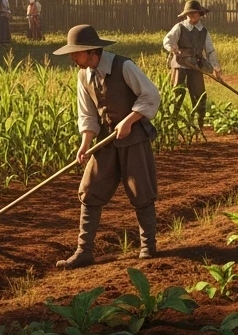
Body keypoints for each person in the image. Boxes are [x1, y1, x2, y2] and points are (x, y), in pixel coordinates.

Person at [53, 23, 162, 267]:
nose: (72, 58)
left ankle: (148, 247)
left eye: (76, 53)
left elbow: (151, 95)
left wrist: (130, 120)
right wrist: (85, 143)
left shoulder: (124, 66)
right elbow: (88, 114)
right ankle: (84, 252)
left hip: (133, 138)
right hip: (106, 140)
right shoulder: (83, 75)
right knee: (90, 190)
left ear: (92, 51)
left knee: (140, 191)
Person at [163, 0, 221, 126]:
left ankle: (198, 122)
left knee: (199, 93)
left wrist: (215, 68)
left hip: (196, 65)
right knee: (177, 92)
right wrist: (172, 48)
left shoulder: (204, 31)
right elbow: (167, 40)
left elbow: (210, 50)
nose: (192, 16)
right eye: (189, 14)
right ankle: (172, 121)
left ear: (200, 14)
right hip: (180, 63)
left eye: (195, 13)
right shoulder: (179, 27)